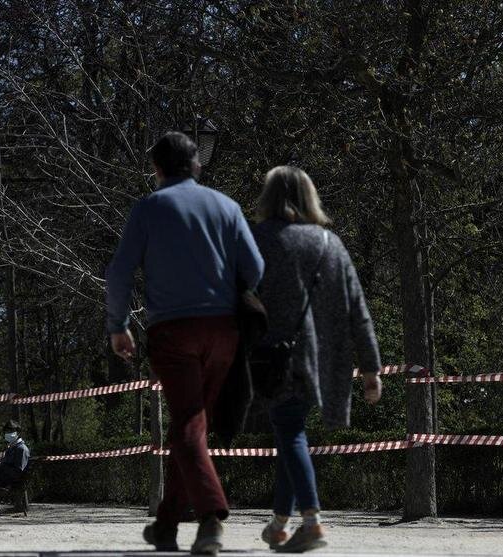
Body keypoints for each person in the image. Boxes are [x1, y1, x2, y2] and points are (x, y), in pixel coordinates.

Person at [106, 131, 264, 555]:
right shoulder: (226, 206)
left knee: (189, 428)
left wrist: (118, 325)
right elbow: (255, 268)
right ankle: (166, 526)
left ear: (156, 169)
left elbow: (120, 273)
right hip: (224, 331)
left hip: (173, 332)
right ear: (196, 165)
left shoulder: (148, 208)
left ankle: (211, 518)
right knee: (191, 427)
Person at [252, 166, 383, 552]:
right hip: (325, 361)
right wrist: (371, 368)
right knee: (290, 431)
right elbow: (358, 308)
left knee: (289, 430)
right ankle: (278, 524)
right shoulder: (330, 244)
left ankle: (312, 523)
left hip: (276, 358)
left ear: (268, 198)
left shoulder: (257, 240)